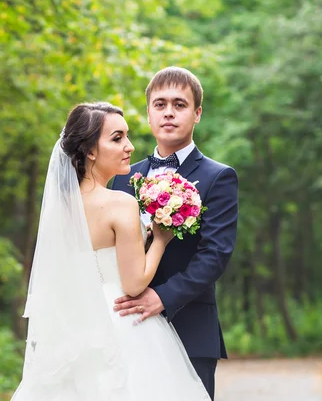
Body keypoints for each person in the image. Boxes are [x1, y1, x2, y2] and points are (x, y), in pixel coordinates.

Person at [11, 102, 210, 400]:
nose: (129, 146)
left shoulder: (60, 206)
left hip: (72, 324)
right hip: (120, 321)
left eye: (126, 136)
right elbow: (133, 283)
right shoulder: (120, 203)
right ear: (91, 150)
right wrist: (159, 239)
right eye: (117, 138)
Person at [111, 67, 239, 400]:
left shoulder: (218, 177)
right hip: (128, 328)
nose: (169, 112)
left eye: (180, 104)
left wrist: (162, 297)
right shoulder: (123, 178)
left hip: (190, 326)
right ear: (149, 113)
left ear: (197, 113)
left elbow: (215, 255)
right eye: (160, 104)